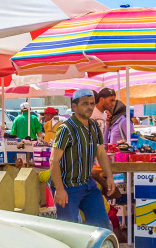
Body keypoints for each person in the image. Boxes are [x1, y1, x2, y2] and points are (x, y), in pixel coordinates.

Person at [49, 88, 115, 228]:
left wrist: (109, 177)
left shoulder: (94, 126)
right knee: (69, 230)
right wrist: (60, 189)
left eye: (91, 103)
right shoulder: (66, 129)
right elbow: (53, 160)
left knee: (102, 226)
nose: (90, 107)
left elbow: (101, 153)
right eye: (85, 103)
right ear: (74, 106)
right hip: (68, 187)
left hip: (88, 185)